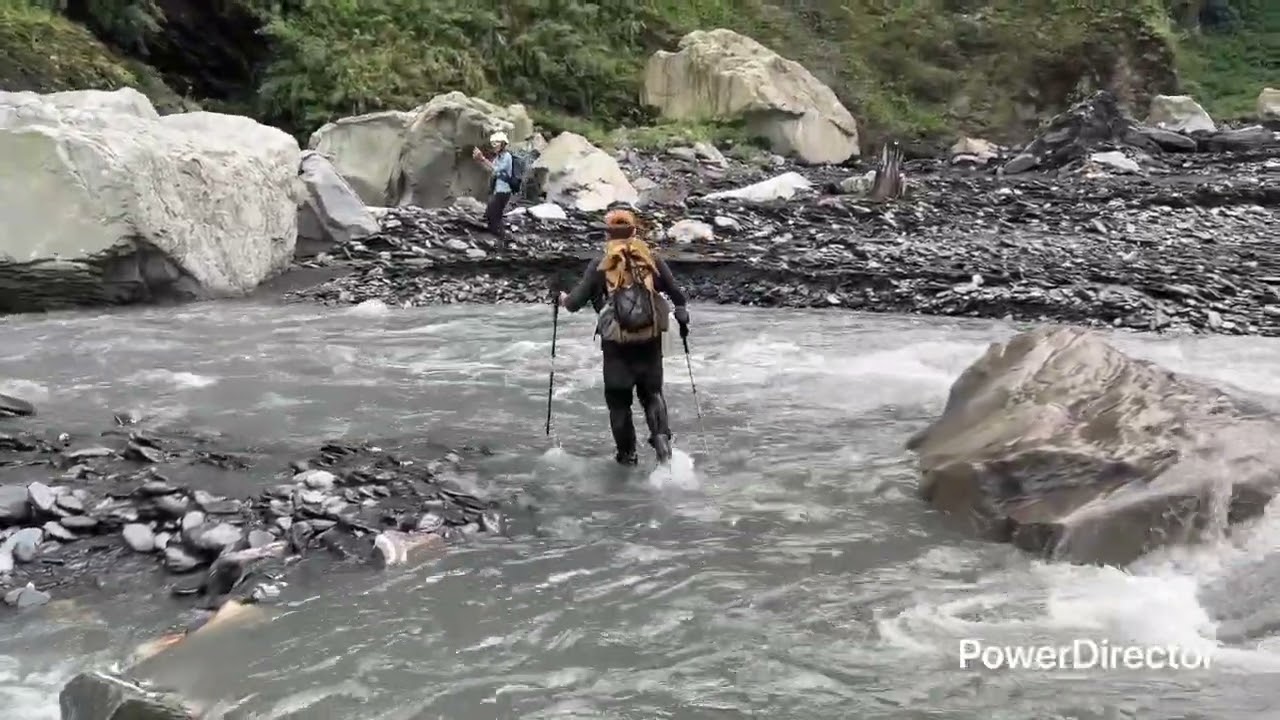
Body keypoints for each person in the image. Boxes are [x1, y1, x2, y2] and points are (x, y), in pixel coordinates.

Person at [558, 206, 690, 466]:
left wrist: (561, 298)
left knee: (619, 403)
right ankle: (661, 439)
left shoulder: (600, 264)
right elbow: (677, 295)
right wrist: (682, 313)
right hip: (649, 343)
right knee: (652, 393)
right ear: (634, 231)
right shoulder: (650, 259)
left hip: (616, 347)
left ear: (608, 235)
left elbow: (574, 303)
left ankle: (627, 457)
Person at [471, 131, 514, 245]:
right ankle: (498, 238)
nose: (494, 146)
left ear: (503, 144)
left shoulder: (507, 157)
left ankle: (504, 239)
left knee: (494, 216)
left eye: (496, 143)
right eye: (493, 143)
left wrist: (483, 159)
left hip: (503, 191)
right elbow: (490, 170)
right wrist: (480, 160)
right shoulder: (498, 157)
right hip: (496, 190)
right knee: (491, 215)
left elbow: (497, 170)